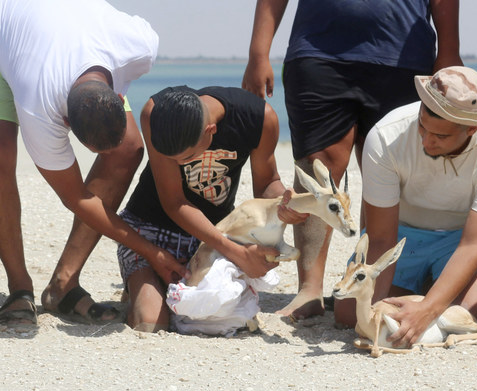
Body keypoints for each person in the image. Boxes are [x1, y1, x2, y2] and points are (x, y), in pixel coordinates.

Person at [242, 0, 463, 319]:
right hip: (318, 50)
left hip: (403, 56)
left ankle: (370, 283)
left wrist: (449, 50)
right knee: (319, 167)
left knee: (391, 169)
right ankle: (310, 290)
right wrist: (258, 53)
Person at [0, 0, 170, 325]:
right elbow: (77, 199)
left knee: (129, 148)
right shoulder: (40, 104)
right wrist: (151, 252)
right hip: (6, 33)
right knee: (1, 156)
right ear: (64, 119)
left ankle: (62, 285)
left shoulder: (139, 47)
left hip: (73, 31)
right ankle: (19, 289)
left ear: (117, 96)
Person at [333, 66, 477, 345]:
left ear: (472, 128)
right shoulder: (386, 136)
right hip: (401, 233)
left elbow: (474, 244)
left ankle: (432, 291)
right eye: (422, 127)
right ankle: (430, 287)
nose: (426, 140)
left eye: (441, 136)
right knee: (350, 315)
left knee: (476, 310)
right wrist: (370, 316)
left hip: (463, 235)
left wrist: (428, 309)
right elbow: (381, 236)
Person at [117, 86, 306, 332]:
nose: (179, 165)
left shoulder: (259, 119)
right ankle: (142, 285)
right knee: (151, 323)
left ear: (211, 131)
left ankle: (155, 287)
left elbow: (267, 185)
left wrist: (287, 202)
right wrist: (238, 253)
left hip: (210, 238)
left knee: (218, 318)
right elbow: (174, 202)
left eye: (187, 158)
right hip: (152, 230)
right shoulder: (158, 113)